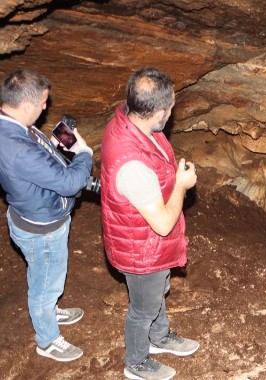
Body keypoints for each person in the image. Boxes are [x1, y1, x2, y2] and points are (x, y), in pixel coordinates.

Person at [100, 67, 199, 380]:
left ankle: (159, 337)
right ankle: (137, 361)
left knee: (158, 292)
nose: (171, 114)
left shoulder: (128, 123)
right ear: (157, 112)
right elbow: (163, 224)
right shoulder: (132, 167)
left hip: (147, 244)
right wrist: (182, 185)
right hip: (140, 250)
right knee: (142, 308)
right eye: (169, 109)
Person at [0, 69, 94, 362]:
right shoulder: (17, 148)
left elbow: (41, 155)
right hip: (41, 227)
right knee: (44, 284)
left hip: (31, 212)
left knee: (45, 277)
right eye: (42, 103)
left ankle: (50, 308)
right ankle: (47, 339)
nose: (45, 108)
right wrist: (85, 154)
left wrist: (63, 143)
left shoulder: (15, 126)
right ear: (26, 105)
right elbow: (69, 183)